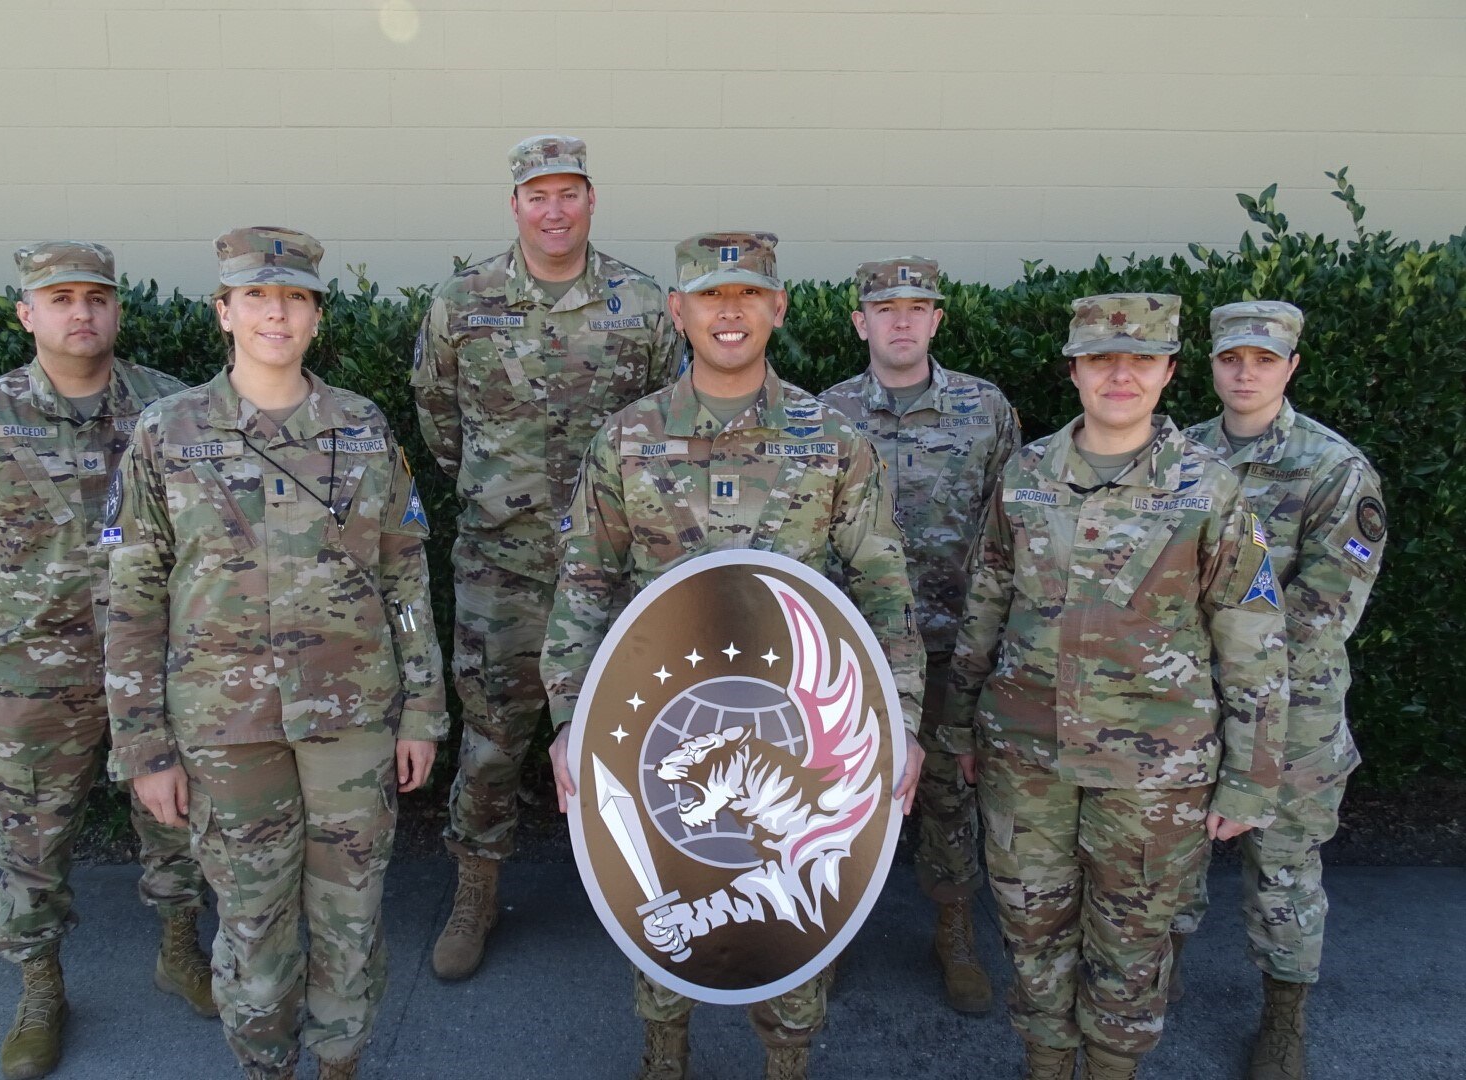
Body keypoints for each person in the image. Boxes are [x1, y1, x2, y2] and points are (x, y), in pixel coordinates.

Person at [541, 232, 926, 1080]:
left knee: (794, 918)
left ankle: (787, 1061)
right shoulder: (627, 440)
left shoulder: (832, 440)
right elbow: (583, 587)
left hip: (796, 736)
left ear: (777, 309)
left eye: (748, 295)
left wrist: (900, 720)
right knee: (661, 902)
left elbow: (884, 588)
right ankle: (663, 1056)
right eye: (711, 297)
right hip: (658, 725)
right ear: (678, 312)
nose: (729, 313)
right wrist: (571, 718)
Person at [104, 227, 447, 1080]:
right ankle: (265, 1066)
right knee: (252, 920)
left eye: (294, 297)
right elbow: (134, 595)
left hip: (355, 723)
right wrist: (143, 745)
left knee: (351, 915)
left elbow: (405, 575)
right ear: (223, 311)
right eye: (256, 296)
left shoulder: (363, 430)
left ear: (316, 318)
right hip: (225, 729)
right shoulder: (166, 433)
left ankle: (338, 1063)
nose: (275, 313)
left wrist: (423, 709)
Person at [941, 293, 1288, 1080]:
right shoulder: (1026, 474)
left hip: (1155, 771)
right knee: (1031, 934)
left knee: (1131, 946)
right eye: (1102, 359)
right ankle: (1045, 1065)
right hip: (1025, 757)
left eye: (1141, 360)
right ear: (1074, 371)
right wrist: (959, 728)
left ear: (1169, 371)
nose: (1120, 375)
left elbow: (1252, 638)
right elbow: (985, 603)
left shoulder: (1210, 490)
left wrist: (1249, 776)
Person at [0, 241, 211, 1080]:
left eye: (97, 297)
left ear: (117, 308)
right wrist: (25, 604)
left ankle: (179, 949)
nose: (81, 312)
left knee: (177, 819)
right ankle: (41, 990)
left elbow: (211, 528)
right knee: (31, 838)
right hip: (36, 674)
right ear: (27, 314)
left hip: (158, 664)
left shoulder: (168, 409)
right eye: (60, 298)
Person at [411, 134, 680, 980]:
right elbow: (438, 418)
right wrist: (502, 495)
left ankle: (652, 897)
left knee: (645, 744)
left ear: (592, 200)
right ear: (515, 206)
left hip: (618, 575)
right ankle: (476, 893)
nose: (554, 210)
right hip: (503, 570)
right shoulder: (465, 301)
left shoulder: (642, 304)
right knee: (492, 742)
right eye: (538, 196)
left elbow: (670, 424)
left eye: (569, 193)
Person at [1168, 302, 1386, 1080]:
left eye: (1264, 359)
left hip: (1292, 714)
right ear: (1213, 364)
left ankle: (1284, 1021)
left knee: (1283, 871)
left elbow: (1327, 606)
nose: (1246, 373)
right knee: (1171, 855)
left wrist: (1228, 658)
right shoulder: (1178, 454)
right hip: (1187, 706)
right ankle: (1160, 977)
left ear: (1291, 366)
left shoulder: (1335, 469)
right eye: (1233, 358)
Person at [819, 256, 1019, 1014]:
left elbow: (1009, 531)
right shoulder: (824, 414)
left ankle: (954, 929)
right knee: (834, 796)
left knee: (946, 794)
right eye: (885, 308)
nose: (902, 321)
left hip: (949, 644)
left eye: (917, 307)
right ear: (860, 322)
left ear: (937, 319)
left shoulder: (984, 410)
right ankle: (823, 935)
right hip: (849, 648)